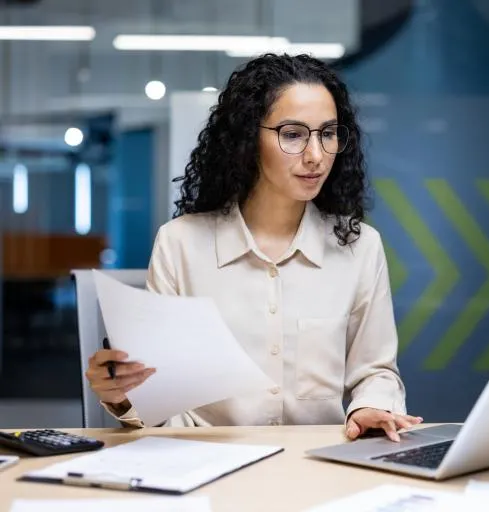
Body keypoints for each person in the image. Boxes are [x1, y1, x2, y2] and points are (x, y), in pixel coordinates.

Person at [84, 53, 422, 442]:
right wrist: (124, 396)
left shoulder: (360, 246)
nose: (316, 155)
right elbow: (161, 395)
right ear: (248, 138)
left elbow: (376, 371)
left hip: (318, 469)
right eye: (293, 134)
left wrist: (369, 406)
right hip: (205, 468)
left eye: (328, 133)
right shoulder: (180, 243)